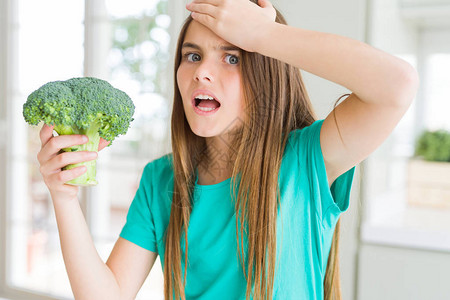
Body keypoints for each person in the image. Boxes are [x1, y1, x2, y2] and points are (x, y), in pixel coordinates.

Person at [36, 0, 419, 299]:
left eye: (232, 57)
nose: (202, 71)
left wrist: (262, 36)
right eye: (192, 55)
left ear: (264, 71)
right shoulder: (161, 180)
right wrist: (64, 198)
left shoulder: (307, 160)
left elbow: (397, 85)